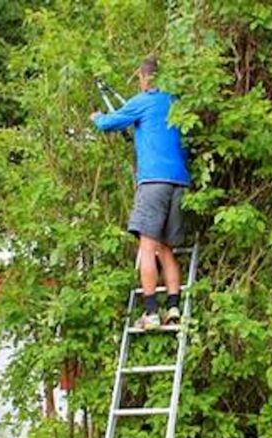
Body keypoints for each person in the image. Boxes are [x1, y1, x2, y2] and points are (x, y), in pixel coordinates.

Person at [91, 56, 190, 331]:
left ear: (144, 78)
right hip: (180, 183)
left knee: (147, 247)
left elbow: (106, 124)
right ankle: (173, 307)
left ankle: (150, 311)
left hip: (153, 183)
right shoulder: (176, 104)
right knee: (166, 248)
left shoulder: (142, 100)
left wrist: (98, 117)